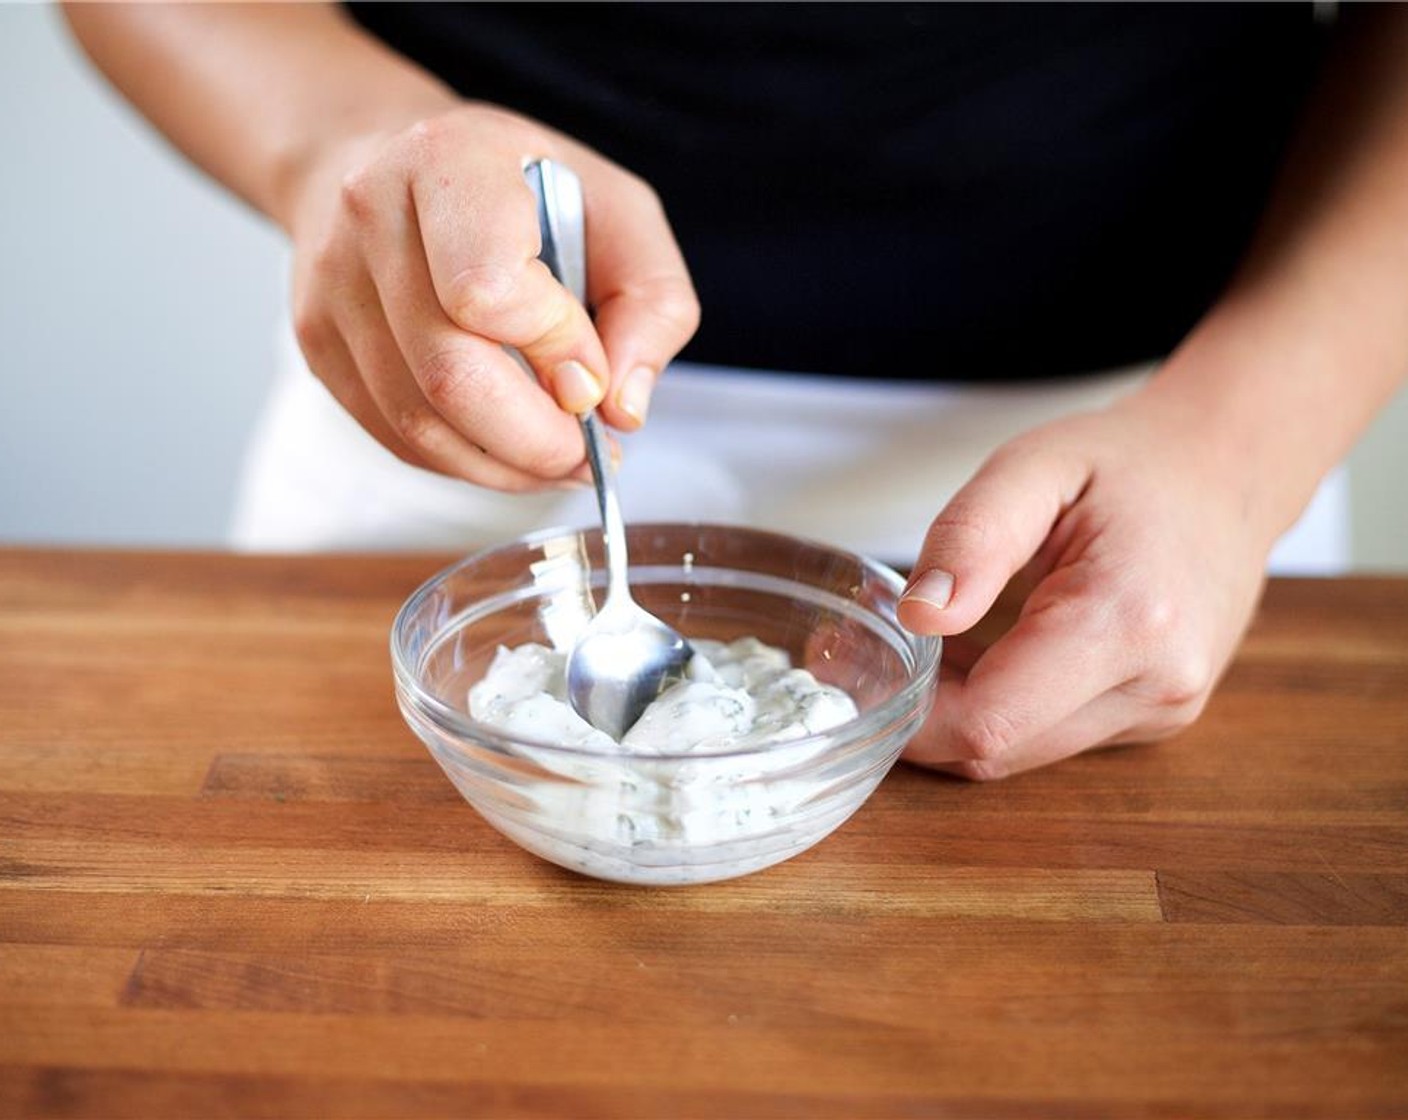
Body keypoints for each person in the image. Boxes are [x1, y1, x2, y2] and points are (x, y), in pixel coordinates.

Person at [62, 3, 1408, 780]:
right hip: (450, 388)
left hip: (1158, 452)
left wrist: (1242, 443)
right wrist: (335, 145)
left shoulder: (1206, 451)